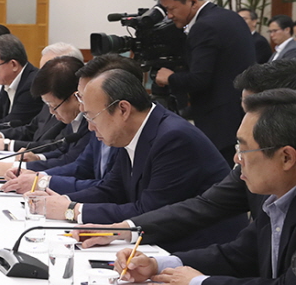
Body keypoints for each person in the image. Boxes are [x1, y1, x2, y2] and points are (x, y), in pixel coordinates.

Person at [76, 59, 296, 250]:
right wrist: (124, 230)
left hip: (201, 247)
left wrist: (73, 211)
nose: (245, 124)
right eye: (245, 112)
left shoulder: (174, 137)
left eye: (254, 113)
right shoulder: (254, 165)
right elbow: (204, 205)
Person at [117, 89, 296, 285]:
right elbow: (238, 256)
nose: (236, 159)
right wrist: (157, 264)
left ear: (286, 157)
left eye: (243, 149)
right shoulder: (272, 196)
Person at [41, 68, 242, 252]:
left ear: (123, 110)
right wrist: (65, 201)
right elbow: (112, 189)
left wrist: (73, 211)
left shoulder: (174, 138)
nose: (91, 128)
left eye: (92, 117)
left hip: (198, 250)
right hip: (156, 241)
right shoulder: (132, 131)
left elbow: (148, 209)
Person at [152, 0, 255, 163]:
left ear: (191, 1)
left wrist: (169, 78)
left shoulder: (204, 27)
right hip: (241, 113)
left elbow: (199, 79)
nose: (169, 16)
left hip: (220, 124)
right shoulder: (230, 17)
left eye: (171, 9)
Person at [2, 54, 142, 195]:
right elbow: (81, 166)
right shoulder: (97, 121)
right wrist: (39, 176)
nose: (80, 107)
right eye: (80, 96)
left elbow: (111, 190)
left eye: (82, 96)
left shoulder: (132, 133)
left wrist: (67, 207)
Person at [0, 44, 83, 152]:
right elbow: (32, 128)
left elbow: (57, 146)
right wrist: (0, 134)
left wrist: (8, 145)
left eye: (50, 70)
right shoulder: (51, 97)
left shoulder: (69, 107)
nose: (41, 76)